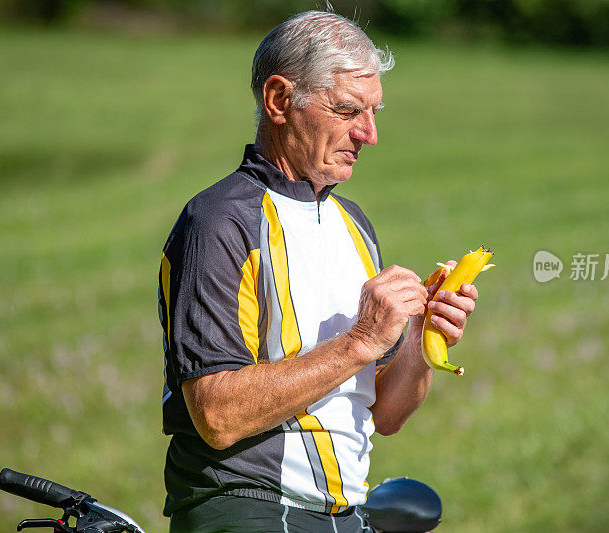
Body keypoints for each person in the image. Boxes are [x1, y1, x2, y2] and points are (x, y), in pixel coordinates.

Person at [158, 9, 480, 533]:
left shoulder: (354, 224)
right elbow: (216, 416)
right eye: (348, 110)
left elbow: (386, 415)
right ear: (280, 100)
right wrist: (361, 340)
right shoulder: (219, 220)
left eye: (374, 111)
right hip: (246, 506)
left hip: (346, 511)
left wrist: (422, 338)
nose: (370, 134)